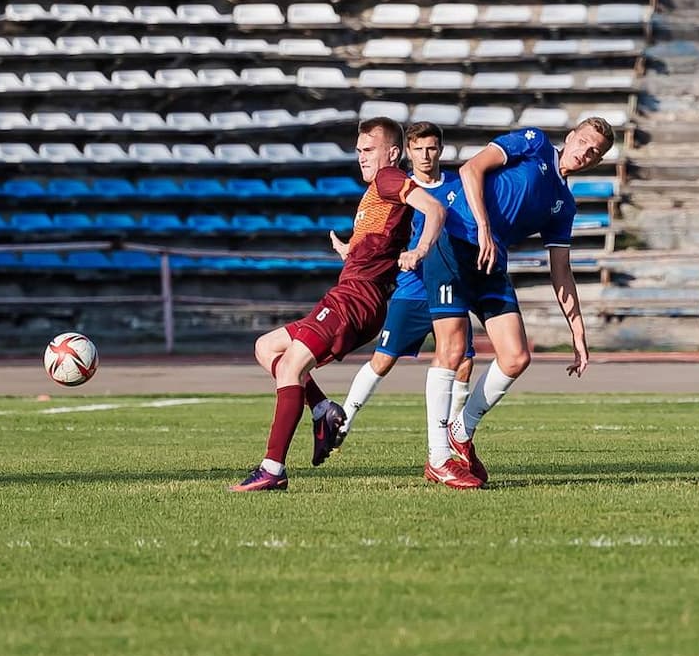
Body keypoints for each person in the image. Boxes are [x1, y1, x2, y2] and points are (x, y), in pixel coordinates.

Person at [230, 116, 445, 492]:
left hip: (355, 299)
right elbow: (382, 243)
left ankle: (272, 469)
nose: (360, 156)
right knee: (267, 348)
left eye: (368, 149)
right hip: (354, 293)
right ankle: (321, 410)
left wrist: (421, 249)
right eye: (358, 150)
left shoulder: (388, 178)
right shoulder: (378, 190)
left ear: (392, 153)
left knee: (291, 367)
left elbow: (434, 209)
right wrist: (351, 250)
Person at [426, 118, 616, 488]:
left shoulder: (565, 205)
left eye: (595, 152)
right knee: (451, 351)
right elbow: (471, 168)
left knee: (516, 357)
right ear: (571, 137)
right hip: (454, 238)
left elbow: (561, 272)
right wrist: (483, 226)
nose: (585, 153)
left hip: (489, 257)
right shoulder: (534, 142)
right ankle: (438, 458)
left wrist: (578, 335)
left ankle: (460, 431)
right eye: (583, 143)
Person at [336, 121, 475, 439]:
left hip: (450, 285)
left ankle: (456, 435)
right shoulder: (400, 187)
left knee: (463, 361)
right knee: (383, 359)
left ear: (440, 150)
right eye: (419, 148)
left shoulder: (458, 185)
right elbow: (375, 230)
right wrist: (352, 248)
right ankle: (343, 421)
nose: (425, 155)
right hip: (413, 287)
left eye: (431, 148)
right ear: (407, 152)